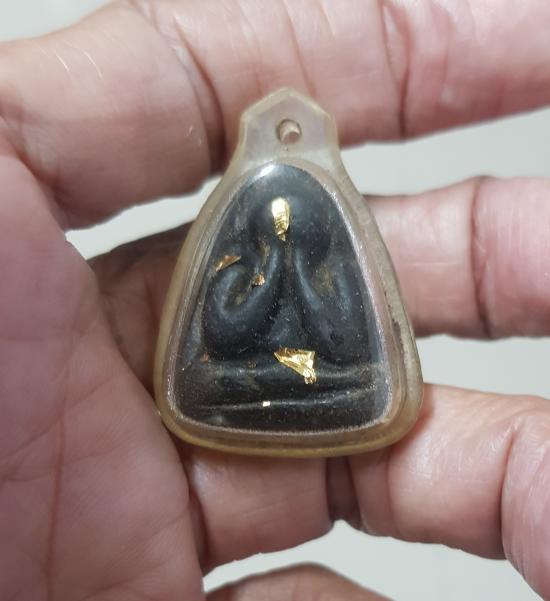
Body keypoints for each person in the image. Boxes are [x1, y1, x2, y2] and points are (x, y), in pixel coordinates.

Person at [1, 1, 549, 599]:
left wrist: (303, 274)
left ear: (315, 229)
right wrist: (267, 275)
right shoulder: (240, 268)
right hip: (249, 377)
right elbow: (225, 334)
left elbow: (343, 342)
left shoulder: (326, 272)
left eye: (294, 232)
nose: (284, 240)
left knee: (364, 383)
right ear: (257, 227)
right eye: (275, 231)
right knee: (205, 381)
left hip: (320, 376)